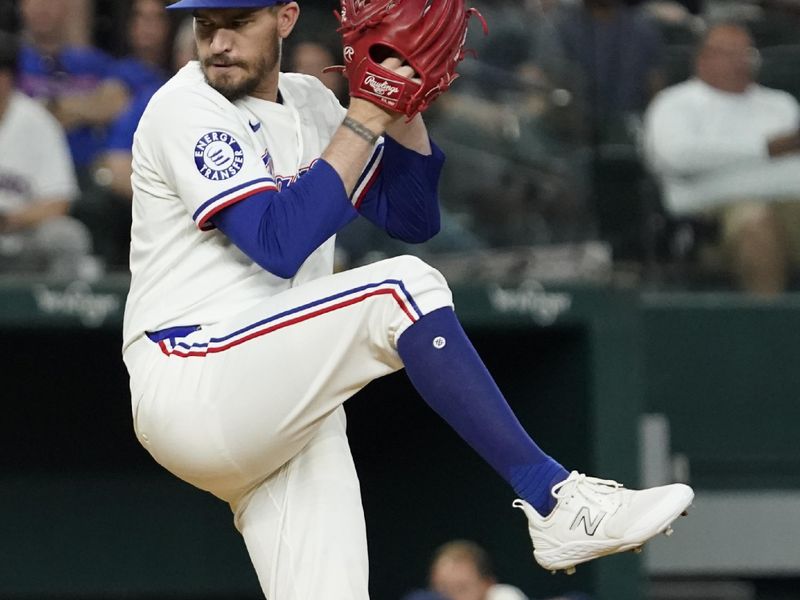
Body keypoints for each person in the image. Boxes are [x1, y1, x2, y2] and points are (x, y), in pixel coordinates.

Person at [121, 1, 694, 598]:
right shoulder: (184, 108)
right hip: (193, 373)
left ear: (286, 18)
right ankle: (556, 500)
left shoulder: (312, 102)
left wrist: (404, 109)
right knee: (403, 288)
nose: (218, 42)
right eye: (205, 25)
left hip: (281, 406)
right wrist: (368, 111)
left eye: (237, 23)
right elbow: (278, 242)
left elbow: (412, 215)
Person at [643, 22, 800, 295]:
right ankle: (771, 330)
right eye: (730, 53)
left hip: (791, 204)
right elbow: (678, 158)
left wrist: (730, 168)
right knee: (756, 223)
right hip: (712, 219)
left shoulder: (780, 104)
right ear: (703, 59)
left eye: (747, 53)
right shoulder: (674, 103)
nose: (742, 62)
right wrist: (765, 150)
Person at [0, 32, 91, 278]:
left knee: (67, 236)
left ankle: (57, 313)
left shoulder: (37, 122)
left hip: (24, 236)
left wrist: (8, 220)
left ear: (10, 78)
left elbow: (59, 202)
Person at [17, 0, 130, 181]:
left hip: (89, 172)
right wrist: (88, 107)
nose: (43, 7)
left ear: (66, 7)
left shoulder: (93, 61)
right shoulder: (12, 62)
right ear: (22, 6)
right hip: (27, 172)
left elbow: (117, 103)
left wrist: (55, 107)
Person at [428, 540, 529, 600]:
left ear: (488, 584)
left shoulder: (504, 596)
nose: (450, 597)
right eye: (442, 589)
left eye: (461, 588)